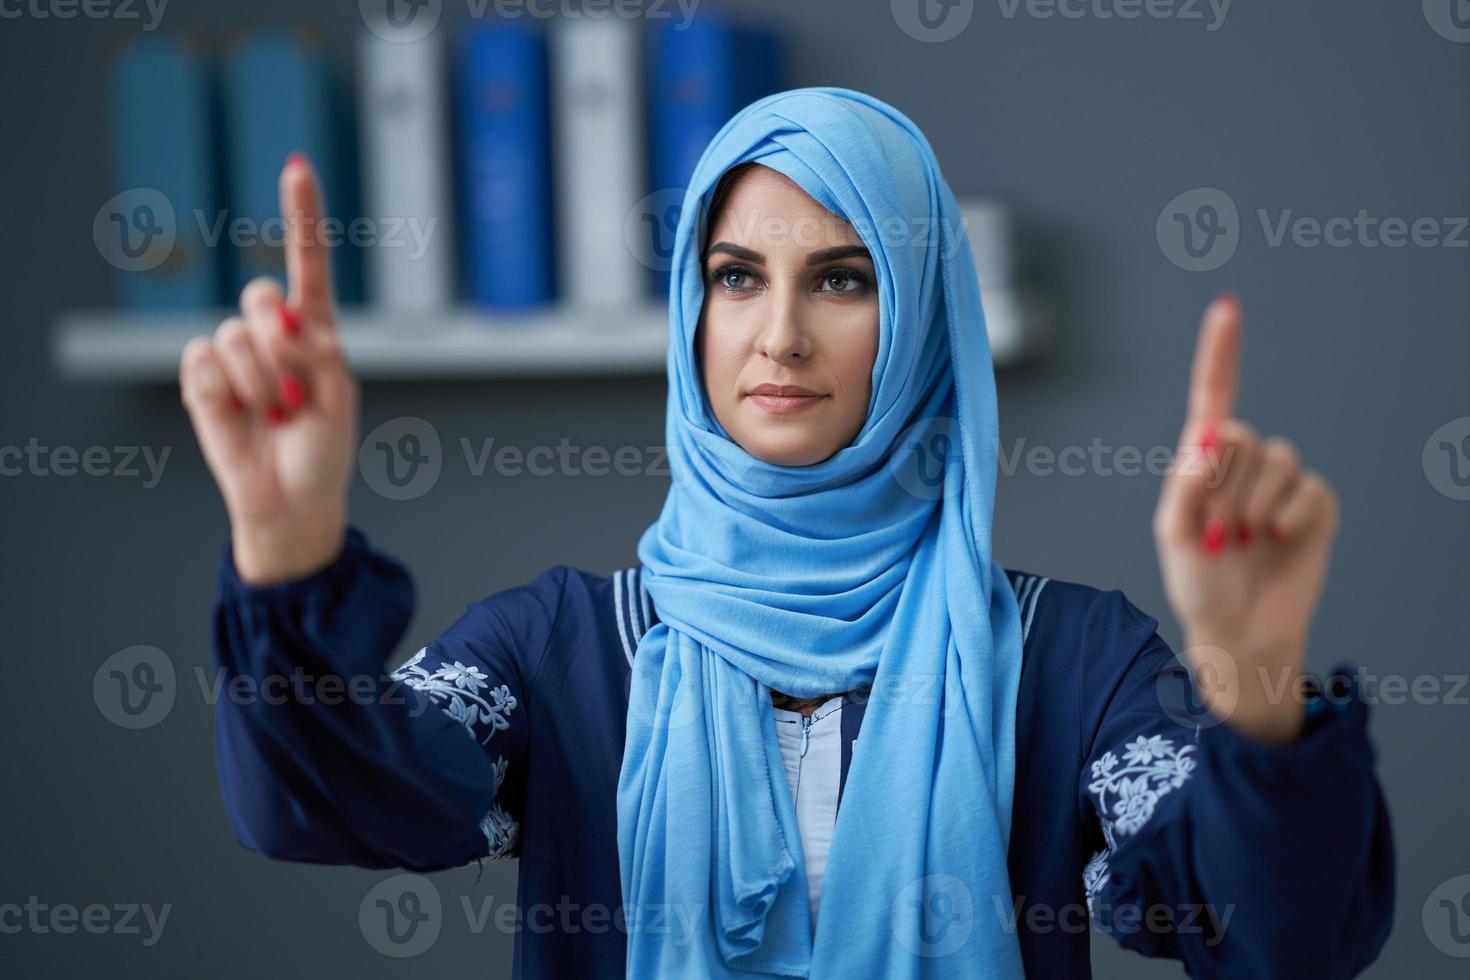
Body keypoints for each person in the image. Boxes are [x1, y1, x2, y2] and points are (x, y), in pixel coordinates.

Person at [179, 88, 1393, 978]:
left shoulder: (1068, 657)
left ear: (922, 323)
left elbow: (1274, 931)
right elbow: (324, 804)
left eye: (845, 278)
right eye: (737, 274)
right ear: (690, 311)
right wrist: (284, 563)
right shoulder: (563, 649)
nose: (779, 337)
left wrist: (1254, 677)